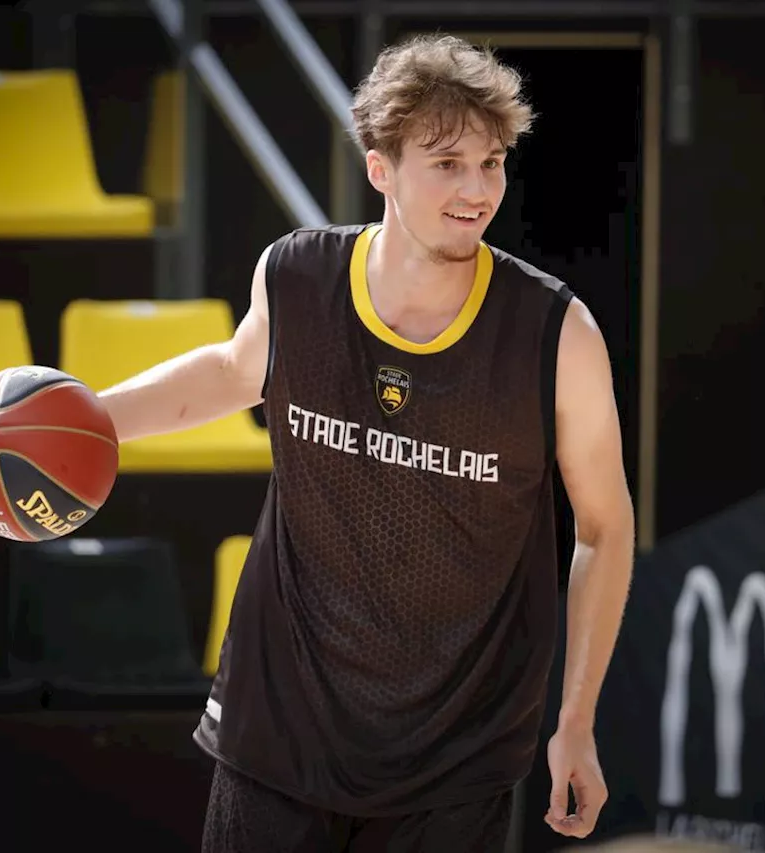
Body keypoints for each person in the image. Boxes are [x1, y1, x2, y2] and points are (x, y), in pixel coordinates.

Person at [96, 34, 635, 853]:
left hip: (456, 753)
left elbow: (603, 526)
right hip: (281, 729)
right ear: (380, 167)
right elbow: (232, 371)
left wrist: (577, 719)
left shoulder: (556, 334)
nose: (477, 189)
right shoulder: (298, 279)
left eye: (490, 163)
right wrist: (81, 420)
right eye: (446, 163)